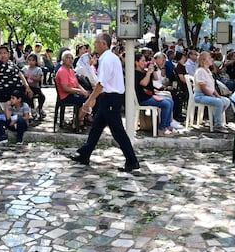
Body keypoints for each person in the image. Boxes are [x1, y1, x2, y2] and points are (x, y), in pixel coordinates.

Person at [68, 33, 140, 173]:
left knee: (118, 131)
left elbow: (101, 84)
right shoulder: (109, 58)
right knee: (96, 127)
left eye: (96, 43)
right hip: (108, 98)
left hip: (111, 98)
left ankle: (132, 160)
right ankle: (85, 154)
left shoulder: (107, 59)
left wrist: (89, 101)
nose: (94, 45)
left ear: (104, 44)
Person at [135, 52, 177, 136]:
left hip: (150, 95)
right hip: (143, 98)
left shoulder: (145, 71)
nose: (144, 63)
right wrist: (148, 73)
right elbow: (144, 83)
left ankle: (167, 126)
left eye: (145, 61)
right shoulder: (135, 73)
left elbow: (156, 78)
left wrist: (152, 69)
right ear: (136, 62)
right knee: (166, 104)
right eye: (142, 61)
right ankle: (161, 129)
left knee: (170, 101)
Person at [193, 51, 231, 133]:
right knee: (218, 102)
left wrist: (218, 96)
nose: (212, 59)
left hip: (208, 94)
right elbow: (203, 88)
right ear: (204, 60)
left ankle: (215, 119)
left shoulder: (208, 71)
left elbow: (212, 88)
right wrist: (213, 97)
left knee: (226, 101)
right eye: (209, 58)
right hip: (200, 95)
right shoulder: (200, 71)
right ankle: (218, 125)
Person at [23, 53, 46, 120]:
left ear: (36, 61)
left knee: (42, 97)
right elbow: (22, 75)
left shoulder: (38, 69)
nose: (31, 62)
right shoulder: (25, 68)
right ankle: (32, 109)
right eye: (29, 60)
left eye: (33, 60)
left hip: (35, 87)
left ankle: (39, 108)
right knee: (29, 96)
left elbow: (38, 78)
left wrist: (29, 76)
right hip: (27, 87)